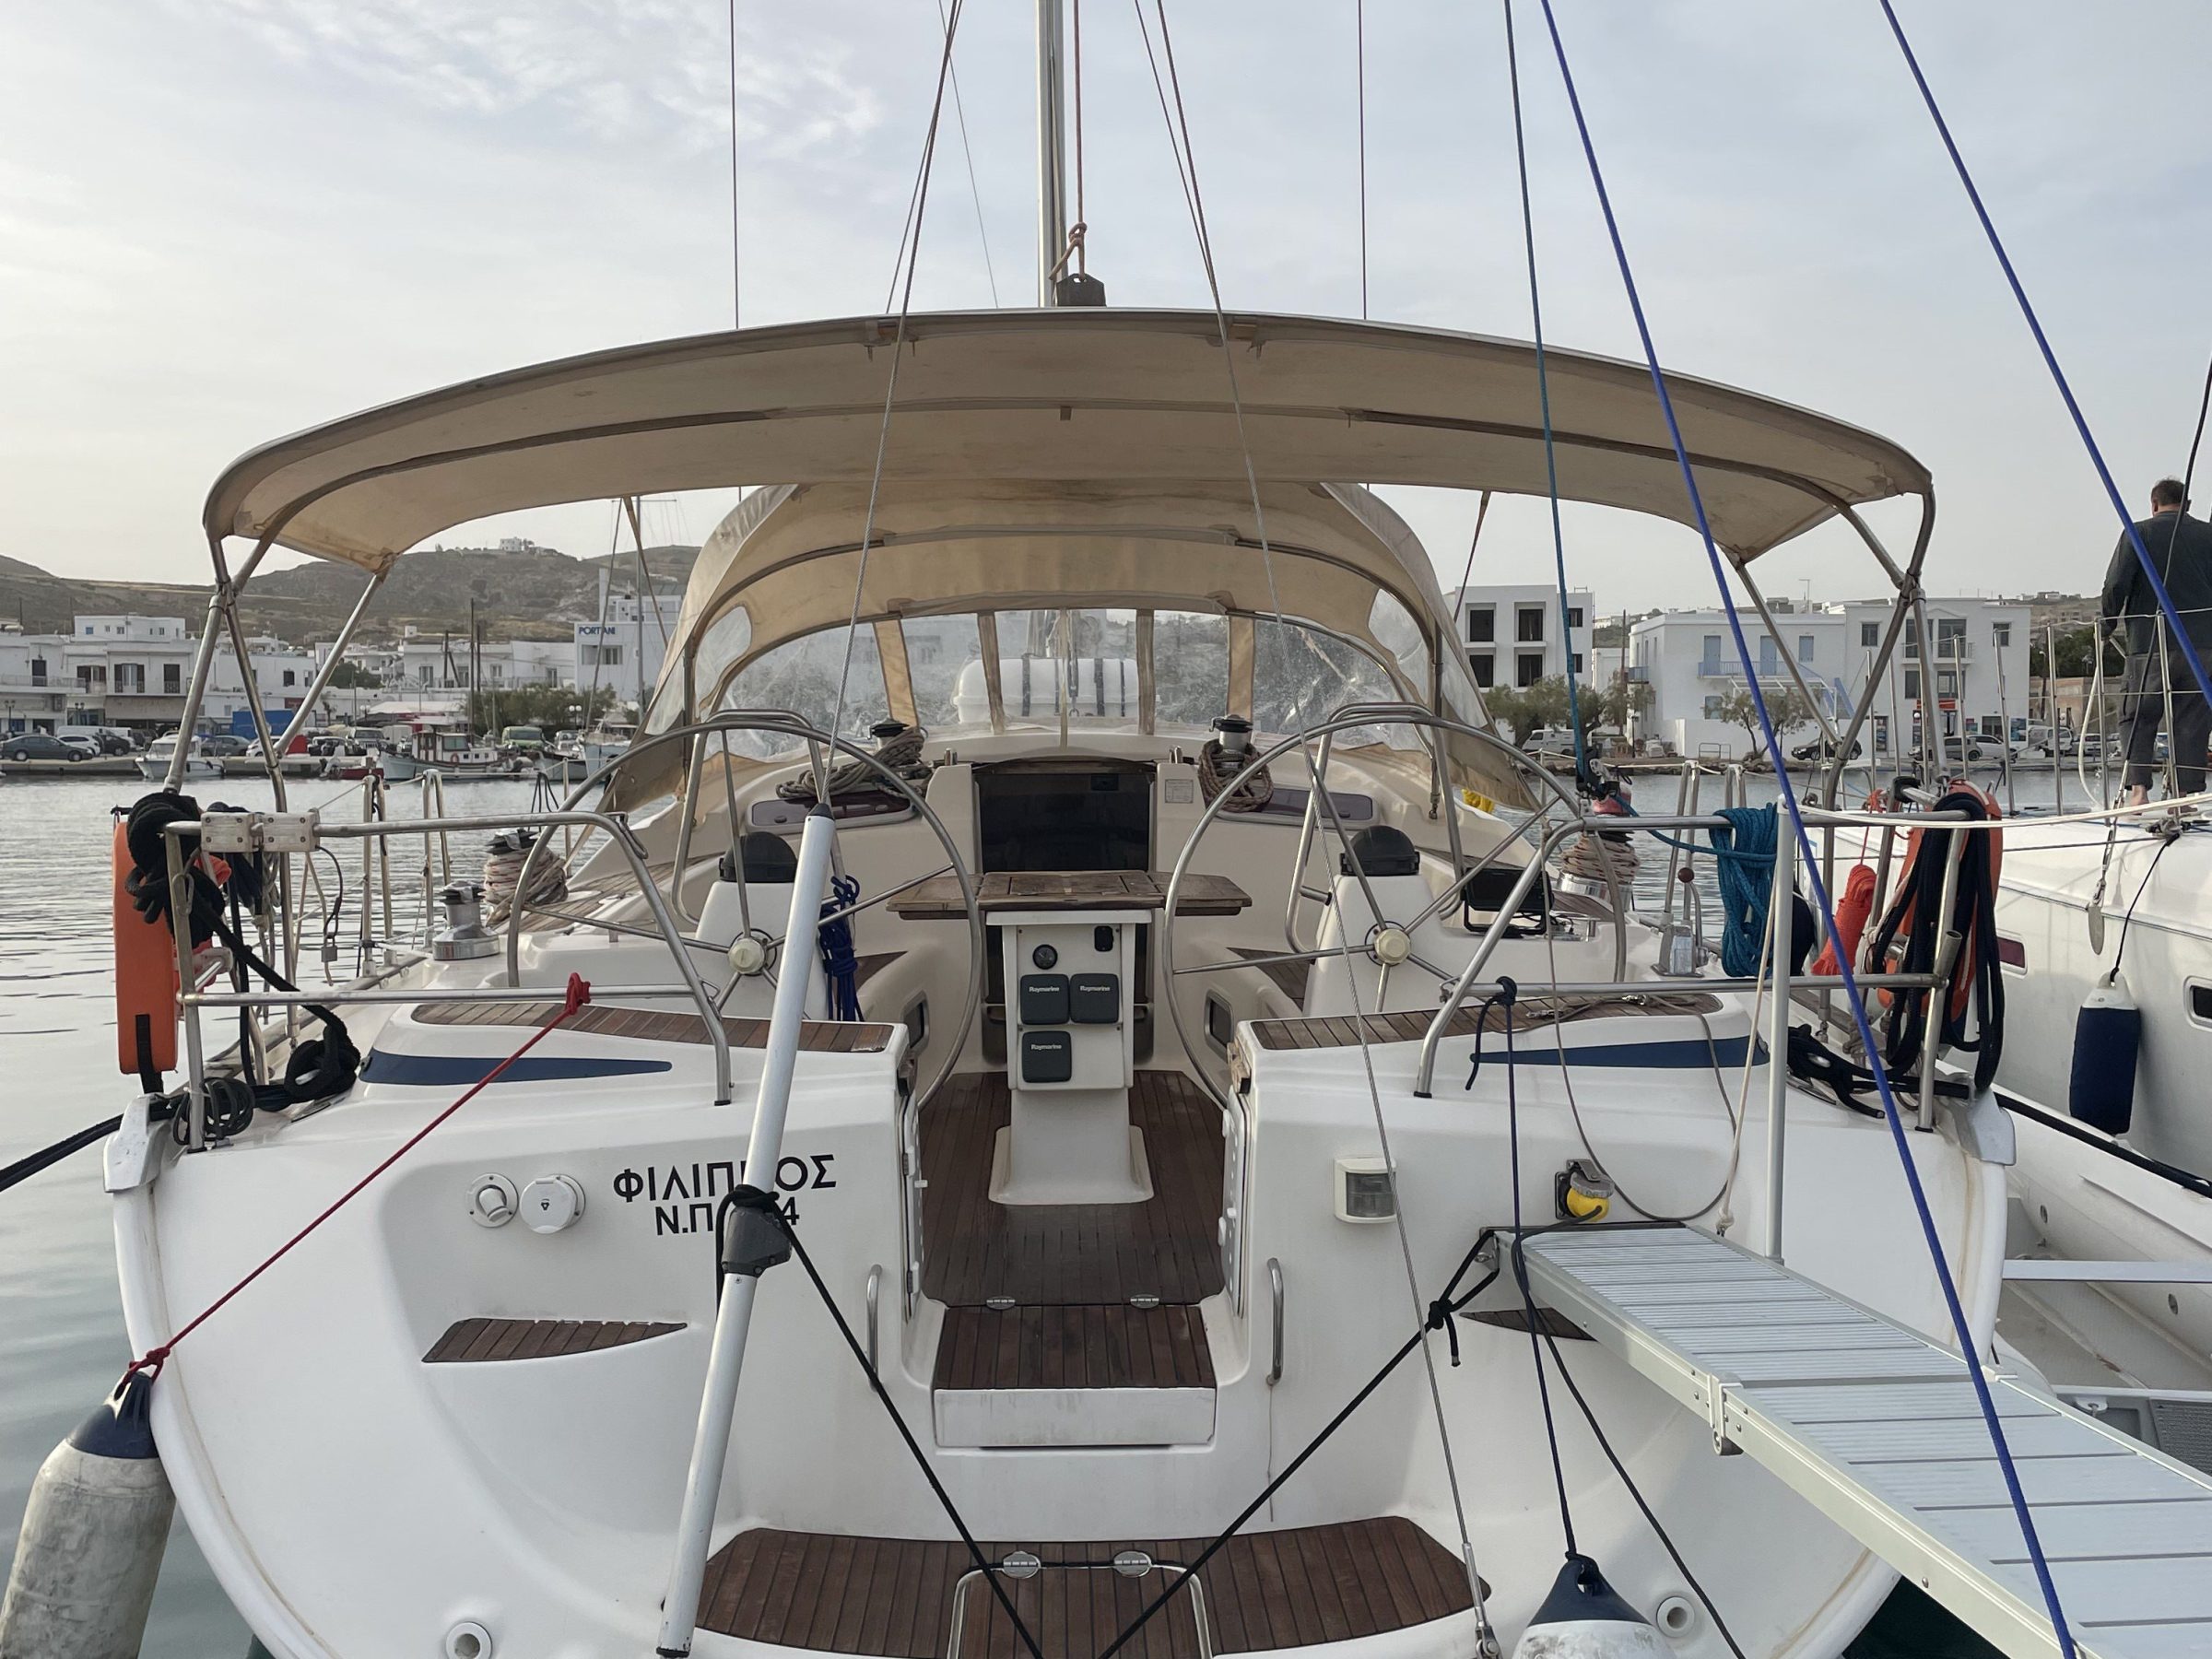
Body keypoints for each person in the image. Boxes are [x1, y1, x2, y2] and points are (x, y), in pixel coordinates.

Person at [2100, 477, 2212, 805]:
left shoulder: (2139, 533)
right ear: (2188, 506)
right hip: (2203, 647)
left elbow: (2116, 584)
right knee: (2193, 718)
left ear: (2153, 504)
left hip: (2148, 643)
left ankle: (2138, 791)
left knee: (2138, 714)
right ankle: (2183, 792)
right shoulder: (2209, 535)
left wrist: (2105, 628)